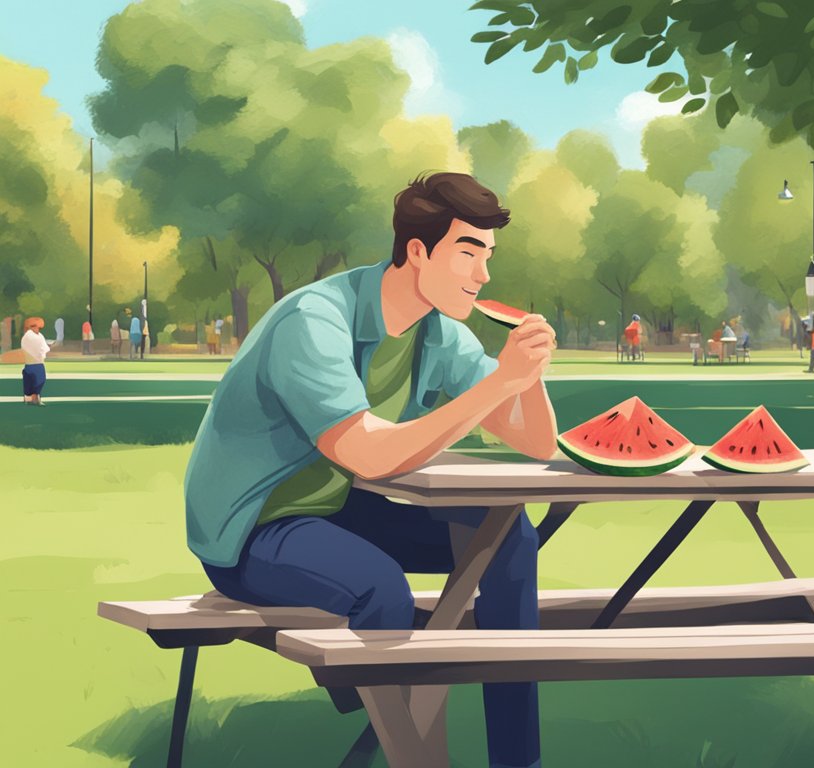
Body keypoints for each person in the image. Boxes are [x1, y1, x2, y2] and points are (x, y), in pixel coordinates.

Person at [183, 172, 553, 768]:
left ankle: (517, 758)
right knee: (381, 590)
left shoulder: (439, 334)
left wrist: (527, 374)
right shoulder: (315, 319)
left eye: (488, 256)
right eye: (468, 253)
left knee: (508, 533)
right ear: (416, 251)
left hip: (334, 507)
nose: (484, 275)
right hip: (254, 524)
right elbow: (366, 454)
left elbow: (536, 442)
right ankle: (389, 742)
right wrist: (502, 382)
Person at [21, 317, 51, 406]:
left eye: (39, 327)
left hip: (38, 363)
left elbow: (42, 347)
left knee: (39, 380)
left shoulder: (39, 336)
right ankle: (30, 397)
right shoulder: (29, 336)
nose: (37, 329)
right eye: (35, 327)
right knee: (32, 380)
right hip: (32, 363)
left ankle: (35, 397)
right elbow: (37, 348)